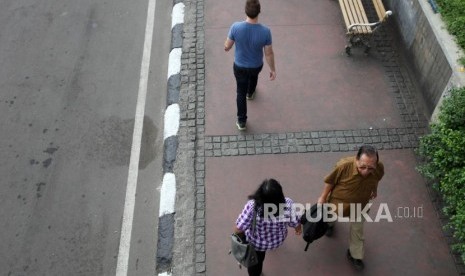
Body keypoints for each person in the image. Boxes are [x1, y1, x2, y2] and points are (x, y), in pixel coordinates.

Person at [317, 145, 384, 270]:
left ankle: (355, 255)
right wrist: (322, 197)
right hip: (338, 203)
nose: (365, 171)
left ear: (376, 163)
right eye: (362, 167)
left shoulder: (379, 168)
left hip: (361, 205)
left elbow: (377, 179)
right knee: (331, 215)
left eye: (370, 168)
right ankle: (330, 225)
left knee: (358, 230)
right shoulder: (343, 166)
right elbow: (330, 181)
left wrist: (374, 189)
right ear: (357, 160)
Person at [224, 0, 276, 131]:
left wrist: (227, 45)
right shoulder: (266, 31)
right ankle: (251, 92)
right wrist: (273, 69)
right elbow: (269, 53)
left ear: (245, 11)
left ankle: (241, 122)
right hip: (256, 65)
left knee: (239, 93)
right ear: (259, 12)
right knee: (253, 77)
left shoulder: (236, 27)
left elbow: (227, 46)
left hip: (239, 66)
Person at [234, 179, 301, 276]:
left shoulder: (253, 207)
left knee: (256, 263)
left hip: (257, 244)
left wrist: (238, 237)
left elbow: (239, 228)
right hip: (277, 241)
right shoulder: (289, 204)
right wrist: (298, 229)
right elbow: (295, 222)